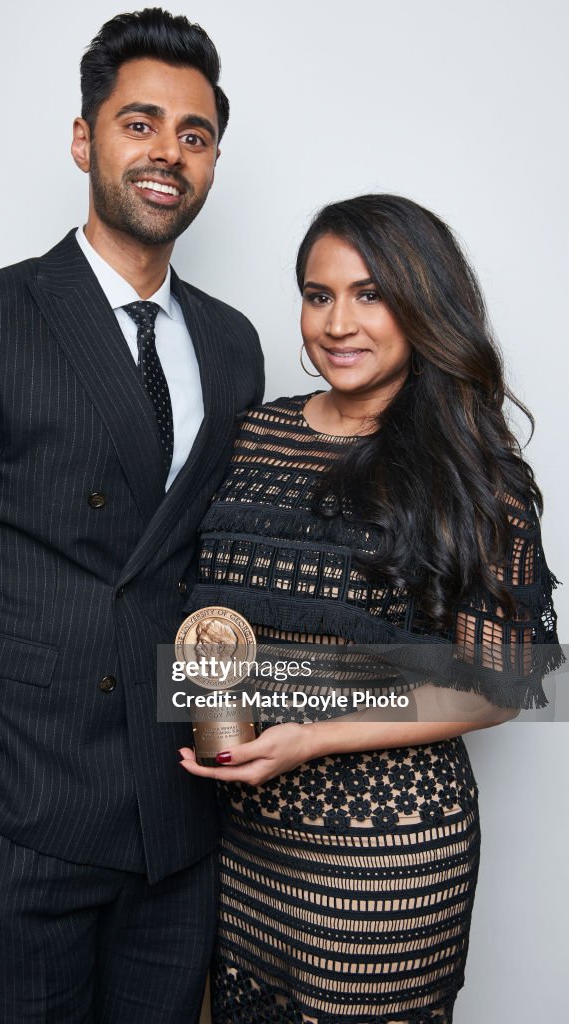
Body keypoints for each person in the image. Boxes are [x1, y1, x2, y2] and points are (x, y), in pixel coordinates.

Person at [0, 8, 264, 1022]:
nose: (168, 152)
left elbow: (210, 579)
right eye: (139, 122)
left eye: (194, 135)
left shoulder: (232, 343)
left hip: (177, 825)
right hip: (12, 828)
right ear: (84, 139)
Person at [179, 194, 561, 1023]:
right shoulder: (252, 434)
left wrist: (315, 734)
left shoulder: (471, 471)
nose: (337, 323)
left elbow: (503, 686)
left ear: (422, 304)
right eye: (318, 295)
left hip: (381, 860)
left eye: (369, 294)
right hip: (236, 844)